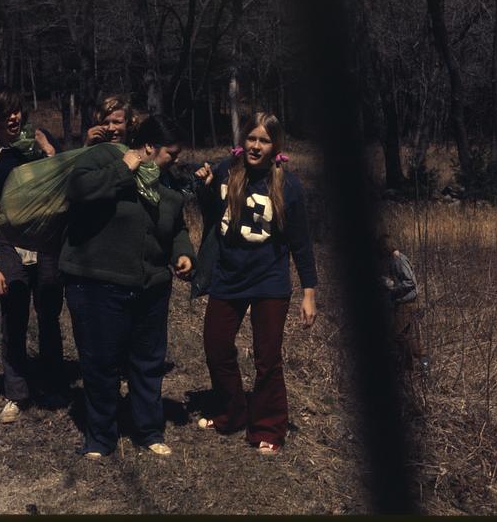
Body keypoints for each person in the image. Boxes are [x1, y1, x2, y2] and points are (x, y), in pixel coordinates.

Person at [61, 115, 195, 459]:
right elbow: (77, 190)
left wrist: (183, 253)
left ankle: (148, 430)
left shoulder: (166, 184)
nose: (176, 160)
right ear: (149, 146)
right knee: (101, 363)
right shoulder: (103, 158)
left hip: (151, 287)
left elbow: (176, 224)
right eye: (171, 153)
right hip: (98, 285)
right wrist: (124, 168)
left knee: (147, 362)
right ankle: (100, 437)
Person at [193, 112, 317, 455]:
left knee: (267, 358)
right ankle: (231, 412)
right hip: (228, 277)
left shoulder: (288, 186)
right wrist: (202, 187)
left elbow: (302, 243)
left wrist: (309, 293)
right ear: (242, 140)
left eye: (263, 140)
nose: (256, 146)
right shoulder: (224, 171)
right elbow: (210, 216)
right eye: (251, 138)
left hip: (269, 282)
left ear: (275, 146)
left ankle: (269, 427)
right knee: (216, 346)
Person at [0, 85, 68, 424]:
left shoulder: (39, 146)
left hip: (47, 243)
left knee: (49, 316)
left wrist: (48, 150)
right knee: (13, 318)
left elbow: (64, 181)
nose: (13, 117)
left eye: (16, 111)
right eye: (4, 112)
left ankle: (54, 384)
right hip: (9, 246)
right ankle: (16, 392)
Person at [377, 233, 427, 374]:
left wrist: (392, 285)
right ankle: (413, 368)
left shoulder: (398, 260)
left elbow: (410, 281)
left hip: (408, 304)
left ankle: (418, 366)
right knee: (407, 336)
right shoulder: (395, 259)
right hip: (406, 303)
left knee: (399, 336)